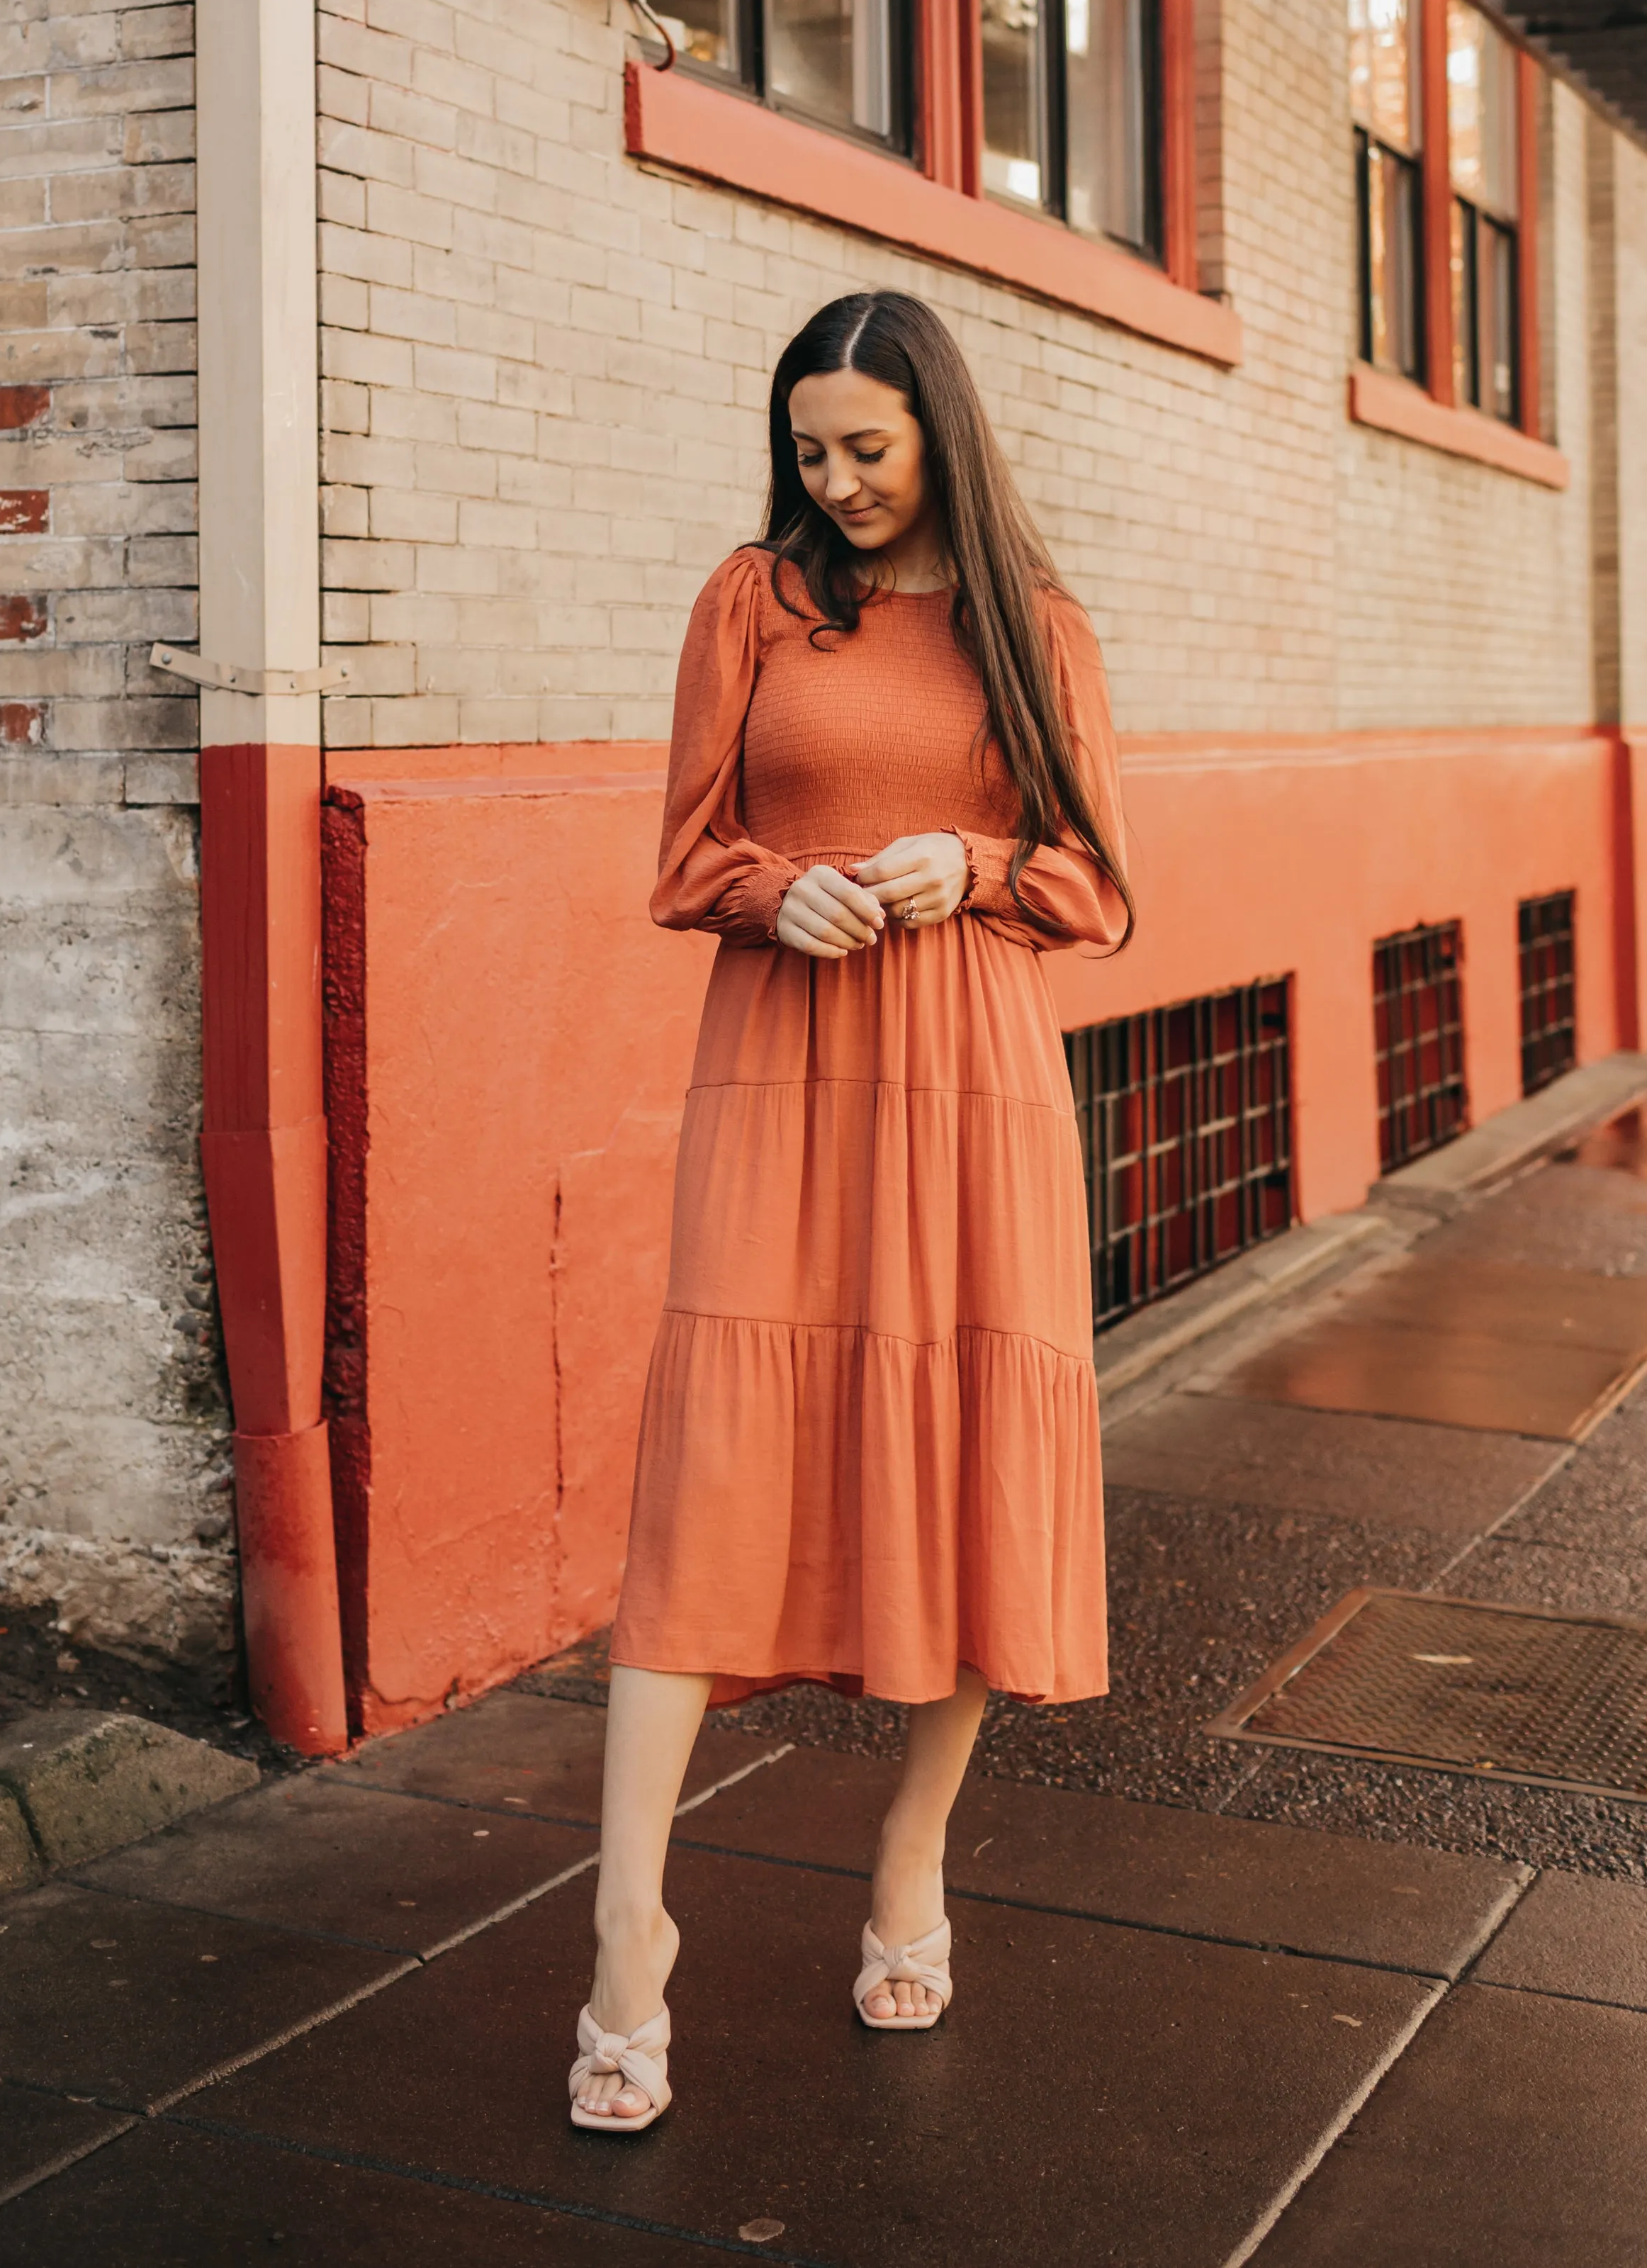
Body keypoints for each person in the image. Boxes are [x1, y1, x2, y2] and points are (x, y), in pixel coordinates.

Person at [568, 288, 1131, 2133]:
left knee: (966, 1455)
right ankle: (626, 1936)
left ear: (939, 434)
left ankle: (909, 1850)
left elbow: (1096, 887)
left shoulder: (1035, 629)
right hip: (786, 1066)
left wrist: (969, 860)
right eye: (809, 448)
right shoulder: (755, 600)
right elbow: (686, 848)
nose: (834, 480)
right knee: (707, 1480)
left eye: (866, 448)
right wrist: (770, 891)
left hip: (970, 1084)